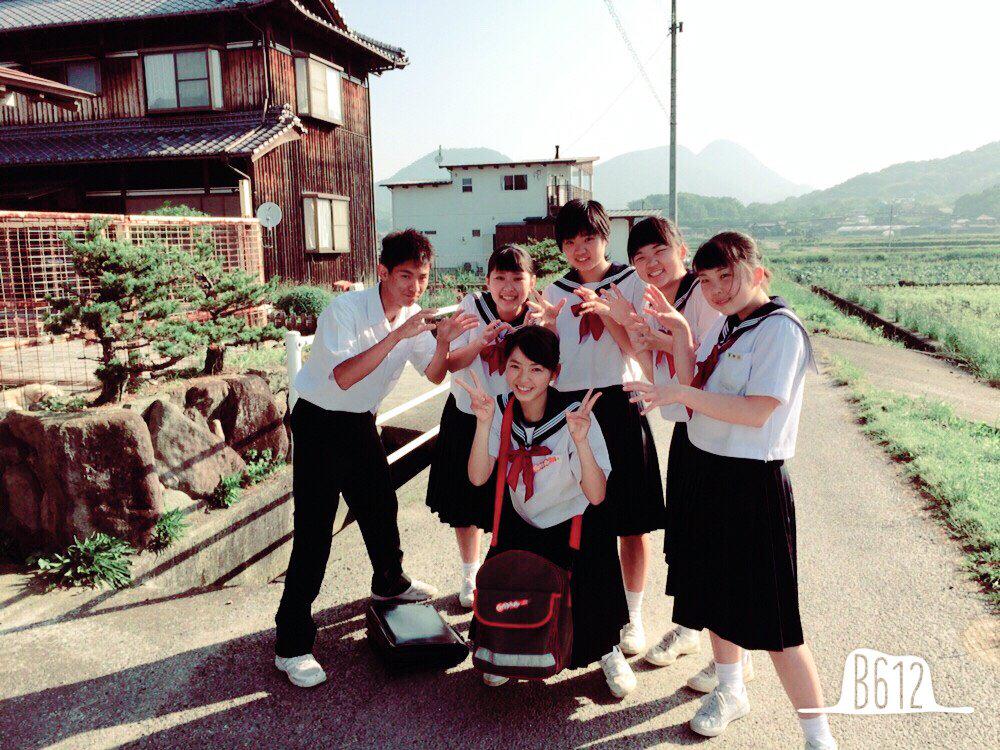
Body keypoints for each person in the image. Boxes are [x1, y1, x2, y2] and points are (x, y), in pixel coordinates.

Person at [624, 232, 836, 749]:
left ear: (758, 274)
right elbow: (698, 385)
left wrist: (681, 391)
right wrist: (677, 335)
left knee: (778, 624)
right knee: (715, 599)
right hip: (708, 473)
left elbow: (758, 410)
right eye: (707, 280)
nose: (717, 289)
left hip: (752, 483)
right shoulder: (729, 324)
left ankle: (818, 736)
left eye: (728, 276)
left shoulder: (779, 330)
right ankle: (731, 689)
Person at [274, 229, 478, 688]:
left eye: (422, 277)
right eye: (405, 275)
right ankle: (291, 644)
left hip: (359, 421)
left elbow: (434, 374)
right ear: (383, 271)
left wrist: (447, 342)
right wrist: (400, 334)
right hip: (319, 419)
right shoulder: (345, 310)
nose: (415, 287)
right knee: (315, 530)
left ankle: (389, 583)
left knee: (381, 506)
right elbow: (344, 376)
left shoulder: (411, 317)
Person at [460, 325, 637, 698]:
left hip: (575, 521)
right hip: (522, 519)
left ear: (555, 373)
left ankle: (607, 650)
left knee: (591, 596)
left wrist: (581, 441)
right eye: (515, 366)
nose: (523, 378)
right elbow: (477, 477)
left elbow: (596, 494)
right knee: (514, 587)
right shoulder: (500, 409)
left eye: (536, 369)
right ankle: (507, 645)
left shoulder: (576, 416)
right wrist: (483, 423)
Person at [613, 217, 752, 687]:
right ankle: (693, 629)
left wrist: (665, 337)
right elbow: (658, 375)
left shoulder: (705, 298)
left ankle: (735, 658)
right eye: (640, 258)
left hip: (721, 439)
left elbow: (705, 372)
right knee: (689, 543)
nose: (651, 264)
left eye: (659, 252)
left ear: (682, 251)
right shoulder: (659, 301)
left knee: (718, 549)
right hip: (689, 433)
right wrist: (637, 332)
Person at [528, 199, 663, 656]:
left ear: (606, 237)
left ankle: (633, 616)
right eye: (570, 242)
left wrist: (608, 312)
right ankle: (582, 611)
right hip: (571, 411)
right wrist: (548, 327)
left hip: (619, 403)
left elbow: (640, 351)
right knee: (580, 517)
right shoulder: (555, 290)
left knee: (631, 522)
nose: (580, 249)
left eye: (588, 238)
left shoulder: (632, 282)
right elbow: (551, 360)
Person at [425, 244, 536, 607]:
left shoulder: (538, 314)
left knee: (515, 502)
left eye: (517, 278)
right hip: (468, 415)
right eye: (499, 278)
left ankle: (506, 571)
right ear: (487, 281)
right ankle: (469, 573)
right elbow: (450, 364)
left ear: (532, 281)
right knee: (465, 502)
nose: (508, 287)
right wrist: (480, 342)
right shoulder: (472, 307)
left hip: (516, 421)